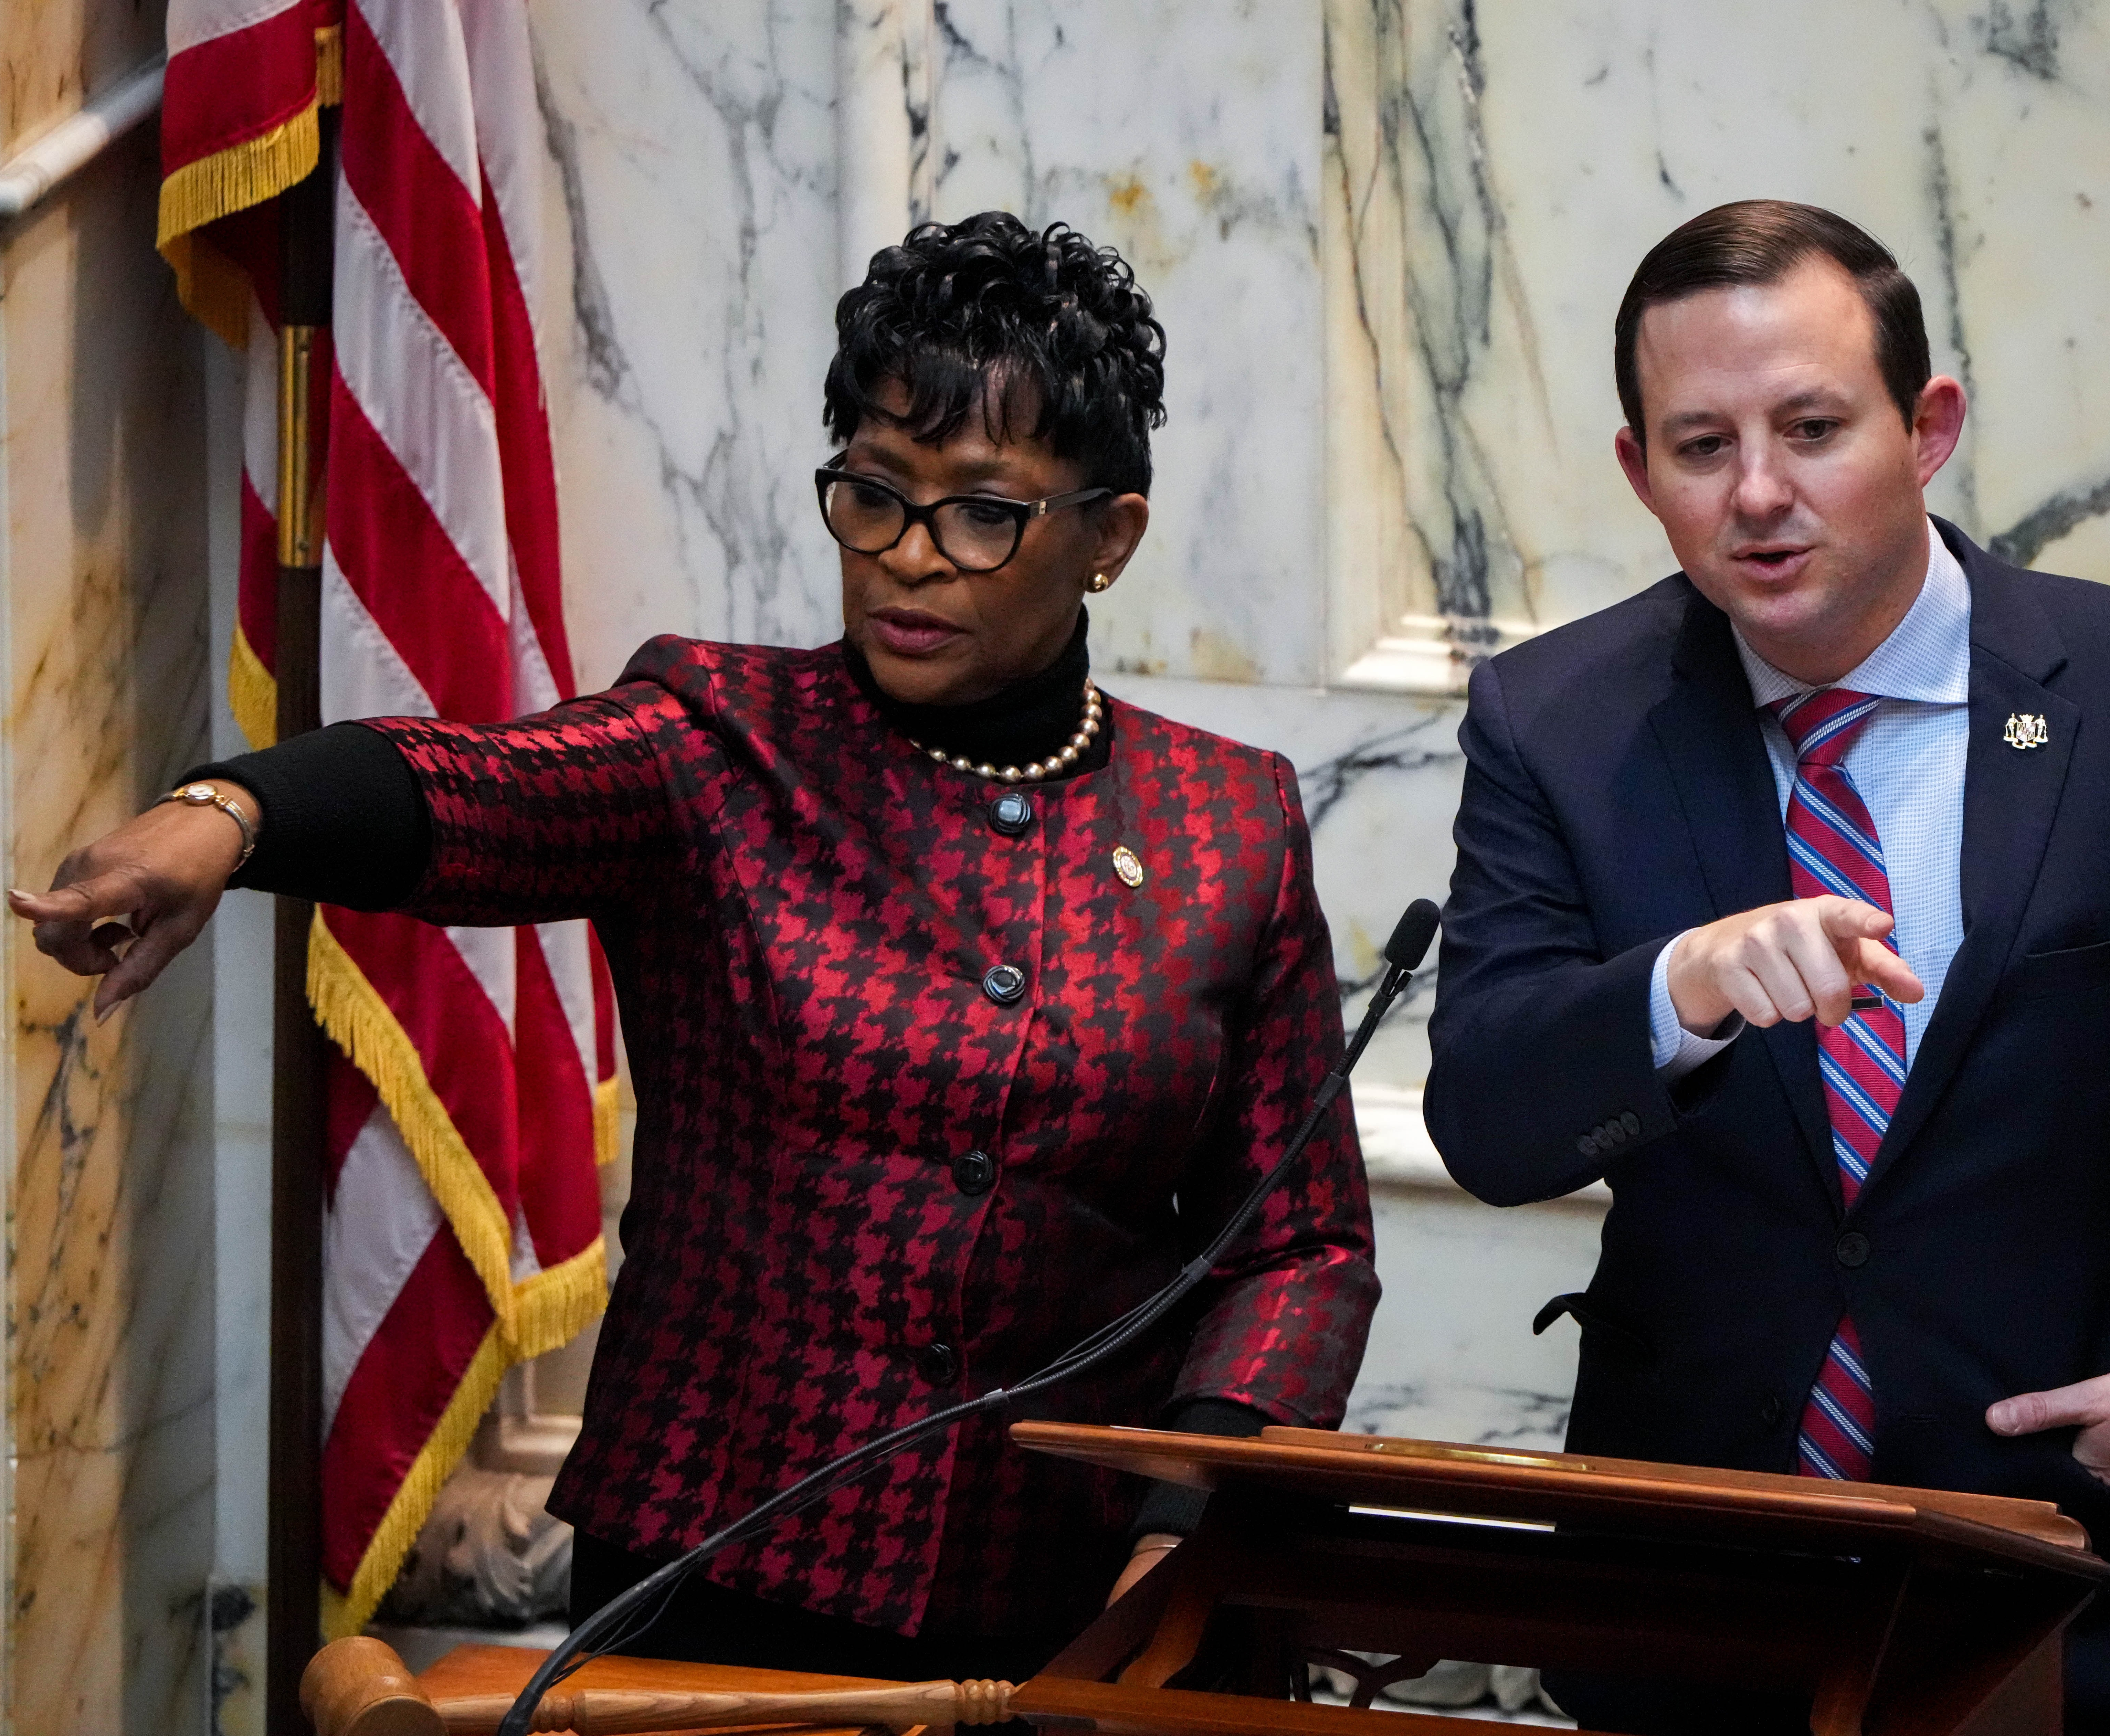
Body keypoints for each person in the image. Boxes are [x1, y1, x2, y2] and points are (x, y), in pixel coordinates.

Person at [12, 212, 1379, 1682]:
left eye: (980, 511)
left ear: (1107, 536)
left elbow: (1293, 1241)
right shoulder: (716, 740)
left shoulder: (1222, 822)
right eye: (872, 493)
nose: (908, 559)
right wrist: (226, 817)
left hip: (1080, 1601)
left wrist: (1188, 1508)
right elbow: (464, 787)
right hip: (723, 1578)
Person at [1425, 200, 2110, 1733]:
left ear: (1928, 425)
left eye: (1813, 428)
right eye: (1698, 447)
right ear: (1639, 473)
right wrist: (1675, 992)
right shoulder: (1553, 722)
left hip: (2084, 1581)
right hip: (1695, 1598)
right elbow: (1488, 1128)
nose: (1758, 495)